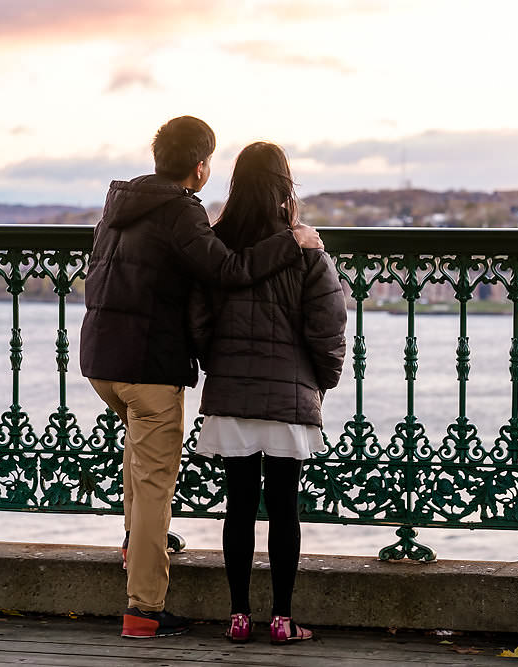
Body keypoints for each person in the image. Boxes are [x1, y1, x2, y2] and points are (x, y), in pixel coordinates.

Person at [80, 117, 324, 640]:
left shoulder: (118, 204)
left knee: (137, 459)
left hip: (102, 361)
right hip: (148, 366)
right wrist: (294, 243)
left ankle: (134, 542)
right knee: (153, 485)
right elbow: (228, 272)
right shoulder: (180, 209)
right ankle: (143, 608)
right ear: (200, 165)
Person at [188, 142, 347, 645]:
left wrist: (222, 365)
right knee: (284, 507)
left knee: (237, 506)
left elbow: (198, 321)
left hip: (232, 394)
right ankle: (281, 617)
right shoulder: (306, 249)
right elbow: (328, 324)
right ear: (284, 187)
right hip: (289, 396)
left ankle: (237, 615)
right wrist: (320, 381)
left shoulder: (217, 247)